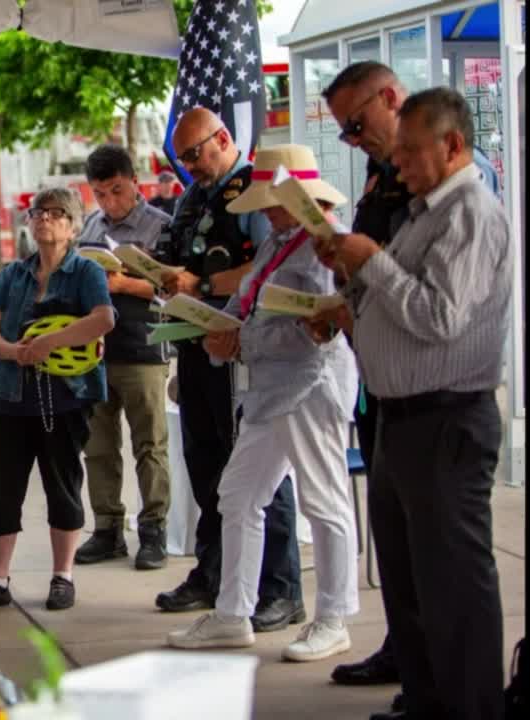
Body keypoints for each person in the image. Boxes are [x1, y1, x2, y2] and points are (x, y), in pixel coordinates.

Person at [308, 87, 511, 720]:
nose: (397, 163)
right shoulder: (424, 213)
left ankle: (469, 708)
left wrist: (371, 260)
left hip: (446, 417)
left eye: (411, 151)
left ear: (452, 145)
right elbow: (400, 305)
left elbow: (439, 316)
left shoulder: (469, 212)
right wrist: (349, 284)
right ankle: (426, 701)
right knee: (409, 581)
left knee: (453, 586)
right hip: (402, 416)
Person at [165, 145, 359, 665]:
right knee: (237, 495)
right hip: (271, 389)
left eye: (274, 201)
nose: (267, 211)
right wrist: (219, 328)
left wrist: (239, 341)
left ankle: (334, 619)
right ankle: (233, 613)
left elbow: (318, 328)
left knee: (324, 500)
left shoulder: (324, 244)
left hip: (310, 386)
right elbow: (247, 303)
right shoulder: (279, 240)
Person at [151, 107, 305, 634]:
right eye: (182, 158)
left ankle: (280, 588)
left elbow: (263, 268)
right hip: (196, 343)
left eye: (195, 153)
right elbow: (182, 257)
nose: (190, 165)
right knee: (207, 467)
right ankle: (214, 573)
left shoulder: (253, 193)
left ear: (223, 138)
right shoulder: (193, 196)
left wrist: (200, 285)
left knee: (258, 475)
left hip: (244, 351)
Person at [0, 187, 116, 614]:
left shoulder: (86, 271)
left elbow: (104, 319)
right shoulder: (13, 275)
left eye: (56, 212)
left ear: (73, 226)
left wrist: (50, 341)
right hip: (12, 394)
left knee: (62, 485)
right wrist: (15, 352)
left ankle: (63, 576)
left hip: (66, 397)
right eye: (38, 212)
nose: (44, 218)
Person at [72, 145, 173, 570]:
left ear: (134, 181)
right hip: (95, 352)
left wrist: (124, 283)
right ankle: (107, 528)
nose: (109, 202)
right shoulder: (90, 226)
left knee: (150, 445)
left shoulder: (161, 225)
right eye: (100, 194)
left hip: (143, 347)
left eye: (116, 190)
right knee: (98, 446)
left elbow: (175, 287)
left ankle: (154, 530)